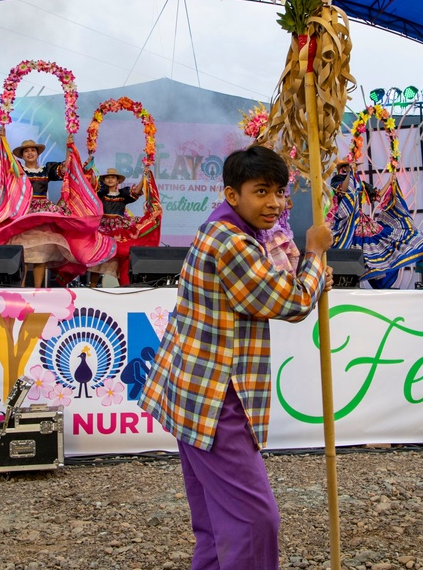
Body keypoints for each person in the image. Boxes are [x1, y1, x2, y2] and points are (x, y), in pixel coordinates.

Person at [139, 145, 333, 569]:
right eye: (261, 191)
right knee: (253, 520)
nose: (275, 204)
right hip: (214, 399)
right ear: (232, 195)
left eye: (280, 193)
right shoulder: (230, 242)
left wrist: (313, 272)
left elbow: (279, 282)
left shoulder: (225, 230)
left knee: (215, 521)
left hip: (191, 394)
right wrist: (316, 254)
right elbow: (293, 301)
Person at [10, 135, 69, 287]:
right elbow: (0, 163)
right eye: (26, 152)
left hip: (42, 211)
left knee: (41, 252)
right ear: (22, 156)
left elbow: (65, 168)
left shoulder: (47, 169)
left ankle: (38, 289)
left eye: (32, 150)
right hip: (25, 211)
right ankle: (20, 288)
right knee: (23, 252)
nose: (30, 153)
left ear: (37, 153)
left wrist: (69, 147)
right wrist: (2, 138)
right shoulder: (19, 169)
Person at [88, 167, 145, 287]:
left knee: (121, 258)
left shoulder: (123, 195)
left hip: (118, 229)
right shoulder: (100, 194)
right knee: (99, 258)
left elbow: (136, 191)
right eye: (107, 177)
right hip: (103, 228)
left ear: (118, 180)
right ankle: (92, 287)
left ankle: (123, 287)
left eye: (113, 177)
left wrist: (145, 175)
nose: (110, 179)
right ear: (103, 180)